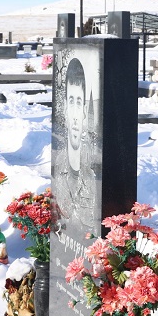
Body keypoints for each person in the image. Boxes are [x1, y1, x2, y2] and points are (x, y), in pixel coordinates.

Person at [54, 58, 96, 231]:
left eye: (79, 102)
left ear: (85, 110)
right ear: (65, 107)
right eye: (71, 101)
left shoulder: (93, 168)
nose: (75, 117)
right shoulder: (59, 164)